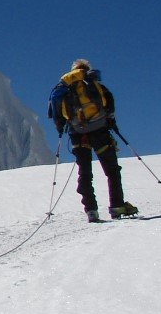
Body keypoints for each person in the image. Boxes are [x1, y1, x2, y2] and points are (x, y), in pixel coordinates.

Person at [48, 59, 139, 222]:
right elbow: (109, 106)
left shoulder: (65, 90)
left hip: (78, 134)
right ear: (87, 70)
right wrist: (111, 123)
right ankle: (117, 206)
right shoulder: (97, 86)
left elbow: (56, 112)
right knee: (112, 171)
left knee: (85, 172)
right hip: (100, 132)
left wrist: (60, 126)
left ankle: (91, 210)